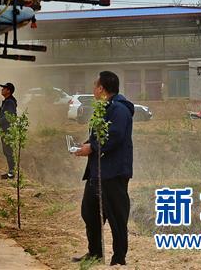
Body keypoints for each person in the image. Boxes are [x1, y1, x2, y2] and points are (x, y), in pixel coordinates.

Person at [72, 71, 134, 266]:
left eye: (95, 85)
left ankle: (118, 259)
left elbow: (114, 136)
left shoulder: (119, 109)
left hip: (113, 172)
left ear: (101, 88)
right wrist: (86, 144)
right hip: (97, 171)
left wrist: (92, 147)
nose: (93, 89)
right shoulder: (104, 108)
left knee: (117, 217)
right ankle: (95, 253)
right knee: (89, 212)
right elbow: (99, 135)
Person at [0, 82, 18, 180]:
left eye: (4, 88)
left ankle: (12, 173)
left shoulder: (10, 102)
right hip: (5, 129)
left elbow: (10, 117)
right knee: (7, 151)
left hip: (8, 130)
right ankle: (11, 172)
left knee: (9, 151)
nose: (2, 89)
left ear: (8, 91)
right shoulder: (6, 101)